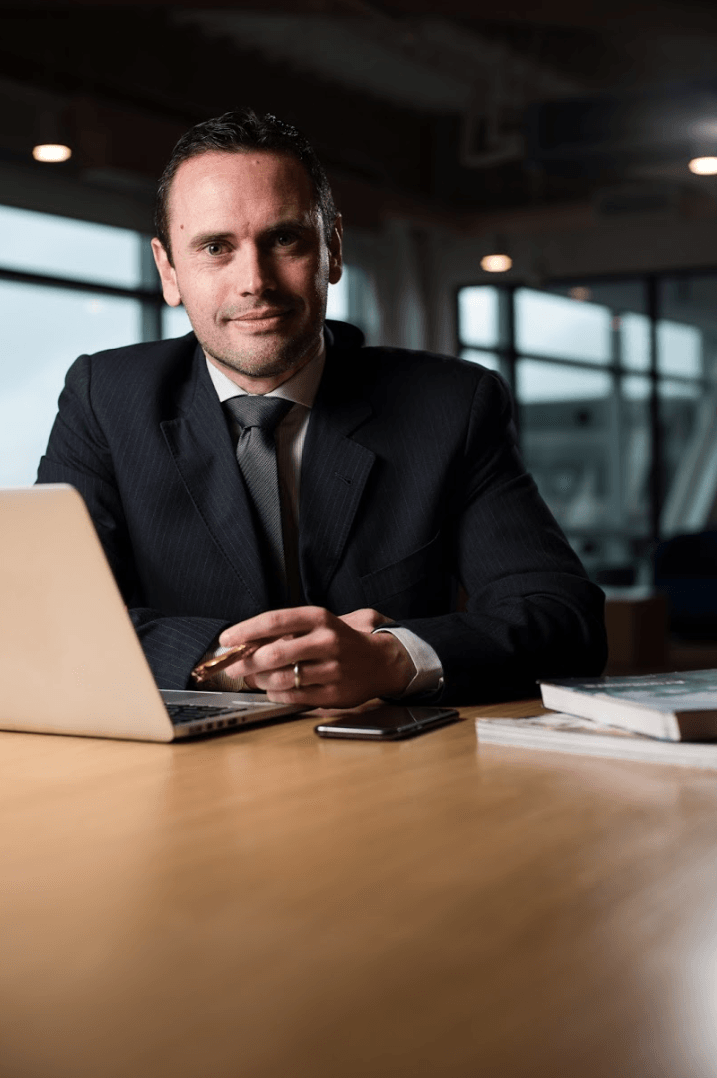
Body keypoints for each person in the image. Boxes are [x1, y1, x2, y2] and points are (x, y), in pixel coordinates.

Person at [37, 108, 606, 708]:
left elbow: (565, 622)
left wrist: (392, 658)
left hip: (394, 752)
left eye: (284, 239)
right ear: (169, 271)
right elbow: (46, 614)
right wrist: (235, 666)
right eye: (216, 247)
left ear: (332, 249)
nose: (254, 281)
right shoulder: (104, 399)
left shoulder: (451, 406)